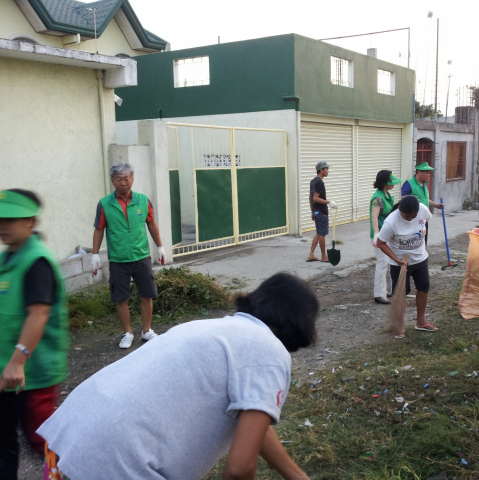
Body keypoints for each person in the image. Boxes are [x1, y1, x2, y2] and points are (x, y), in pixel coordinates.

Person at [37, 273, 317, 480]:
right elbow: (239, 469)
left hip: (69, 440)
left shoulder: (214, 329)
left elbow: (254, 424)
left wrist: (297, 476)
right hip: (115, 464)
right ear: (298, 327)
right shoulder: (269, 352)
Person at [0, 189, 68, 480]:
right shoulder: (9, 258)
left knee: (43, 441)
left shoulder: (36, 261)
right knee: (3, 441)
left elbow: (38, 314)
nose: (3, 225)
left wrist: (18, 360)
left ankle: (63, 475)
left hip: (32, 373)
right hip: (7, 371)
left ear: (30, 222)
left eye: (11, 219)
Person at [92, 163, 166, 349]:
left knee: (146, 295)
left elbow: (151, 224)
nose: (123, 182)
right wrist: (94, 254)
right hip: (118, 259)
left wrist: (160, 246)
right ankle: (127, 332)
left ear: (132, 179)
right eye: (119, 179)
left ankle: (146, 330)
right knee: (121, 298)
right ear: (112, 181)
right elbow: (99, 229)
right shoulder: (104, 204)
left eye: (127, 178)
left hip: (141, 257)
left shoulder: (143, 200)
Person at [377, 195, 438, 336]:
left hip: (420, 259)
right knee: (401, 294)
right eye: (407, 216)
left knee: (423, 288)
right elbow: (381, 243)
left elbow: (426, 222)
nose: (410, 218)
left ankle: (421, 322)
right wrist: (396, 259)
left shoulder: (423, 210)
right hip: (400, 263)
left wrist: (423, 243)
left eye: (413, 216)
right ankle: (399, 324)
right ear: (399, 209)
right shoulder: (391, 222)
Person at [370, 170, 402, 305]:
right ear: (385, 183)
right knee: (382, 263)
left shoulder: (387, 195)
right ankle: (379, 295)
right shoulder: (378, 198)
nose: (393, 183)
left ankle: (382, 290)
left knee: (386, 263)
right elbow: (374, 216)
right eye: (391, 181)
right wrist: (376, 234)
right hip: (380, 235)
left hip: (387, 233)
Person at [401, 162, 444, 246]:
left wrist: (436, 205)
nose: (428, 175)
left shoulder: (424, 184)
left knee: (423, 242)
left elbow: (425, 200)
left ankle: (422, 257)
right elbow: (404, 201)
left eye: (429, 173)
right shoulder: (408, 184)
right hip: (413, 219)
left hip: (423, 219)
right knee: (413, 242)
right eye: (426, 173)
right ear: (419, 172)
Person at [307, 161, 337, 263]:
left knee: (319, 233)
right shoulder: (319, 182)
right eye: (326, 169)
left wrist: (312, 212)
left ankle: (311, 254)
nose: (328, 171)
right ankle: (324, 256)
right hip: (321, 212)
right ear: (321, 170)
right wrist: (329, 202)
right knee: (322, 234)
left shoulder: (313, 181)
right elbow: (315, 198)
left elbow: (310, 198)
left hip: (316, 211)